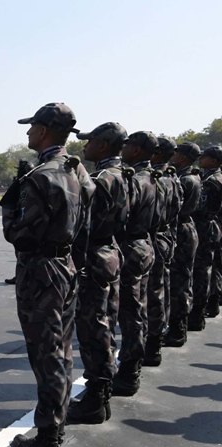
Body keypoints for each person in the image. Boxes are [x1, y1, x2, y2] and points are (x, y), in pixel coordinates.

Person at [0, 103, 82, 447]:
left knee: (46, 358)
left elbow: (16, 233)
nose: (28, 133)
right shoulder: (78, 170)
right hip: (65, 266)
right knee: (60, 352)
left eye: (32, 127)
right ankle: (50, 434)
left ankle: (48, 446)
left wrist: (11, 200)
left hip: (41, 272)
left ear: (45, 131)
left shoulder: (40, 177)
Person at [66, 122, 129, 425]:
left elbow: (84, 226)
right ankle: (100, 394)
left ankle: (96, 397)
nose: (85, 145)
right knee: (105, 324)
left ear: (103, 145)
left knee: (93, 329)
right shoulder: (122, 174)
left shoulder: (101, 179)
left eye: (90, 141)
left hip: (93, 256)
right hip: (110, 252)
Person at [111, 131, 159, 397]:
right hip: (145, 243)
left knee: (130, 313)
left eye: (128, 145)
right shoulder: (155, 178)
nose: (124, 148)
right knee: (138, 308)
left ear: (138, 150)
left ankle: (129, 372)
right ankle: (133, 366)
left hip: (130, 245)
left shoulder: (135, 180)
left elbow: (120, 217)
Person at [143, 137, 181, 366]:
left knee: (151, 294)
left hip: (152, 237)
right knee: (159, 290)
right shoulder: (172, 177)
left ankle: (151, 345)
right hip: (164, 236)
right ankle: (155, 341)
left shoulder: (154, 179)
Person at [164, 142, 202, 347]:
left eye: (178, 152)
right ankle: (178, 327)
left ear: (185, 157)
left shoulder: (184, 179)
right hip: (186, 226)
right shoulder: (191, 177)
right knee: (182, 279)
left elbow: (174, 209)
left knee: (179, 281)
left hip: (181, 228)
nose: (174, 155)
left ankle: (178, 330)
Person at [186, 146, 222, 332]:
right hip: (213, 226)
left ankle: (197, 314)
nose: (201, 159)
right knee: (212, 268)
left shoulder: (210, 181)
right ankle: (211, 304)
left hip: (205, 227)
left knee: (201, 272)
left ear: (215, 161)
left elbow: (201, 207)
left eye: (206, 157)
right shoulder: (214, 177)